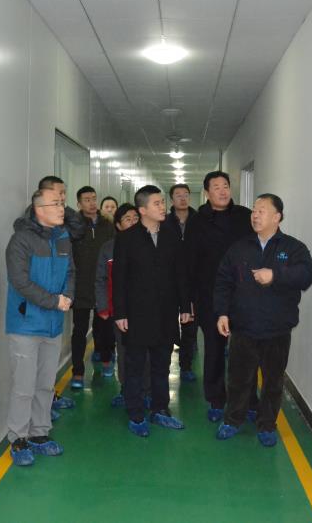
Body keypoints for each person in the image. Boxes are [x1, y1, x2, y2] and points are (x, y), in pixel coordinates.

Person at [213, 194, 312, 447]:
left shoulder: (293, 248)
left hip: (276, 330)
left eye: (261, 211)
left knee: (273, 381)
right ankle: (233, 419)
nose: (255, 215)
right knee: (239, 378)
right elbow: (223, 281)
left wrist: (276, 275)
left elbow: (306, 274)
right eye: (254, 211)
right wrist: (222, 313)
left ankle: (267, 424)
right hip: (243, 328)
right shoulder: (240, 248)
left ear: (277, 217)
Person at [113, 185, 192, 437]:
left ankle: (160, 409)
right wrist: (120, 312)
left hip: (166, 313)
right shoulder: (127, 238)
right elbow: (119, 278)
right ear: (143, 209)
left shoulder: (171, 236)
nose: (163, 207)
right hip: (136, 314)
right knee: (135, 366)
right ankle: (136, 414)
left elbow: (181, 274)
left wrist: (185, 306)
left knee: (162, 365)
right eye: (157, 203)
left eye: (162, 202)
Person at [4, 188, 74, 466]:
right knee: (24, 386)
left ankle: (39, 433)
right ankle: (18, 437)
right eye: (55, 204)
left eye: (62, 203)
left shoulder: (63, 237)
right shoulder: (21, 240)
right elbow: (20, 282)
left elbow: (71, 272)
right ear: (39, 209)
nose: (61, 208)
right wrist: (54, 301)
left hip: (53, 324)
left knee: (45, 384)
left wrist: (67, 296)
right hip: (26, 324)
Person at [186, 171, 258, 423]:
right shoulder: (197, 222)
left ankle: (249, 400)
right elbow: (189, 262)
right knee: (214, 349)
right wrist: (189, 299)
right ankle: (216, 399)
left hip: (244, 295)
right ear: (207, 192)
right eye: (216, 187)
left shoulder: (244, 216)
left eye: (225, 185)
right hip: (210, 296)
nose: (222, 191)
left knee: (246, 350)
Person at [94, 203, 150, 406]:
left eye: (136, 218)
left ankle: (146, 390)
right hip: (120, 310)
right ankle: (127, 389)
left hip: (146, 310)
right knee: (124, 351)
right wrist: (103, 306)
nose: (133, 222)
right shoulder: (108, 248)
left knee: (147, 352)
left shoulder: (151, 244)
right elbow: (101, 279)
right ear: (118, 225)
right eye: (128, 219)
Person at [70, 186, 115, 389]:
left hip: (102, 285)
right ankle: (78, 372)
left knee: (104, 328)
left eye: (94, 198)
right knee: (79, 331)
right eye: (87, 200)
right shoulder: (74, 226)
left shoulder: (107, 225)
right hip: (80, 287)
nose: (92, 203)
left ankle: (106, 360)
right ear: (79, 204)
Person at [162, 183, 198, 382]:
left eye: (186, 194)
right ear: (172, 199)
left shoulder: (199, 221)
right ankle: (164, 366)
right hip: (169, 280)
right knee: (168, 326)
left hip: (193, 280)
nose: (183, 198)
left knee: (190, 326)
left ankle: (186, 365)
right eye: (178, 195)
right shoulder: (164, 222)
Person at [36, 175, 85, 241]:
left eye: (64, 193)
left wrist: (65, 207)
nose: (64, 197)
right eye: (60, 193)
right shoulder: (33, 214)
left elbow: (77, 232)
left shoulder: (62, 210)